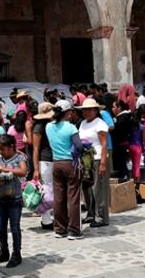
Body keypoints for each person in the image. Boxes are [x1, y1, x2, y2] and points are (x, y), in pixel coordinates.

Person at [47, 100, 83, 239]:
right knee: (73, 197)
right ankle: (74, 230)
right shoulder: (71, 128)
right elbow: (79, 146)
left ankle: (60, 229)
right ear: (68, 112)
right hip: (71, 163)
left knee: (59, 197)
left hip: (56, 163)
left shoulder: (49, 127)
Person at [0, 134, 27, 268]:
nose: (1, 152)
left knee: (15, 228)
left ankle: (16, 254)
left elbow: (23, 171)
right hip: (1, 199)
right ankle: (3, 251)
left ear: (11, 147)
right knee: (1, 228)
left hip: (15, 199)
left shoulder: (19, 158)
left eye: (3, 149)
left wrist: (7, 169)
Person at [77, 98, 111, 228]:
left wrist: (102, 163)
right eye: (85, 110)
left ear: (96, 110)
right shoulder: (83, 123)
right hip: (86, 159)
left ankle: (102, 216)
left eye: (90, 110)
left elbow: (104, 144)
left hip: (97, 158)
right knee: (87, 188)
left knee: (99, 188)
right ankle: (91, 213)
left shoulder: (100, 124)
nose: (87, 112)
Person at [31, 102, 55, 228]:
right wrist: (36, 168)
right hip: (45, 160)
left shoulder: (48, 125)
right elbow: (36, 149)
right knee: (46, 191)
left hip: (51, 160)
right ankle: (46, 220)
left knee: (50, 190)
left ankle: (49, 219)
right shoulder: (39, 127)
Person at [112, 100, 136, 182]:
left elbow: (117, 131)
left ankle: (126, 182)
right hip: (122, 145)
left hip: (121, 145)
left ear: (119, 108)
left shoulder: (122, 118)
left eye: (114, 107)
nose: (112, 109)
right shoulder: (123, 117)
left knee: (122, 165)